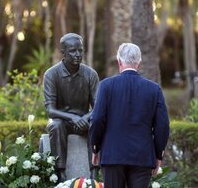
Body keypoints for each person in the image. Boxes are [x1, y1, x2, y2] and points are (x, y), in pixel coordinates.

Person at [89, 43, 170, 188]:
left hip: (112, 155)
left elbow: (97, 119)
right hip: (142, 157)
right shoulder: (154, 89)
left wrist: (95, 148)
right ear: (139, 63)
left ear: (119, 61)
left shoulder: (106, 86)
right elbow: (162, 126)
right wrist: (158, 155)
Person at [43, 33, 99, 182]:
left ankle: (94, 173)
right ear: (63, 53)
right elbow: (50, 110)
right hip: (61, 120)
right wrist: (73, 117)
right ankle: (60, 174)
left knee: (97, 123)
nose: (78, 54)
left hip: (83, 120)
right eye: (73, 51)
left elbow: (98, 107)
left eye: (80, 50)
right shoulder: (51, 74)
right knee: (56, 125)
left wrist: (86, 117)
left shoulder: (90, 74)